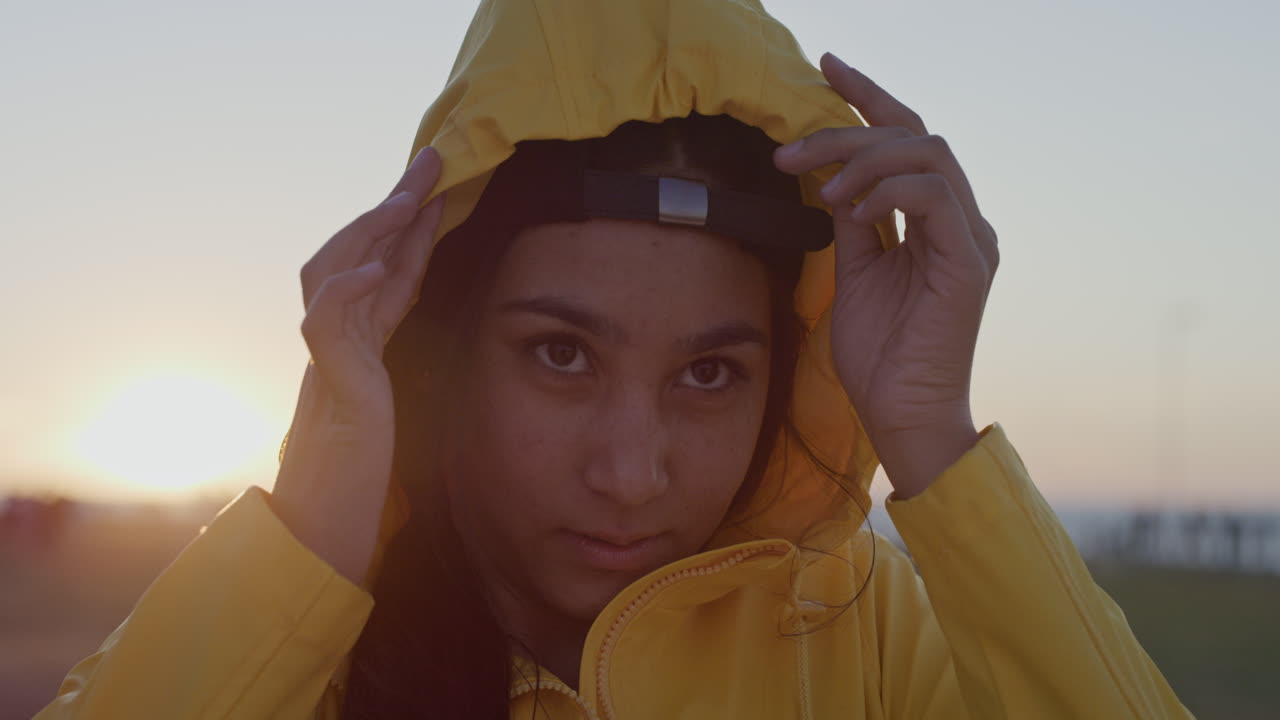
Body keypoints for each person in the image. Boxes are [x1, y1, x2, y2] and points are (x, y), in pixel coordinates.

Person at [36, 0, 1192, 718]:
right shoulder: (292, 652)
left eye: (707, 374)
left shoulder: (863, 636)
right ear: (434, 345)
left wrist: (933, 434)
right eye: (559, 354)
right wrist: (307, 540)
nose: (631, 473)